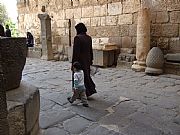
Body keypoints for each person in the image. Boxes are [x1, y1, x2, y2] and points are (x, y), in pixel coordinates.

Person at [72, 23, 96, 97]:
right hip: (87, 60)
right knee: (86, 76)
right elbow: (90, 50)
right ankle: (88, 91)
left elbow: (76, 53)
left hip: (79, 62)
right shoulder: (89, 37)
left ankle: (80, 93)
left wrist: (73, 64)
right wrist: (91, 59)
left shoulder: (77, 38)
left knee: (78, 77)